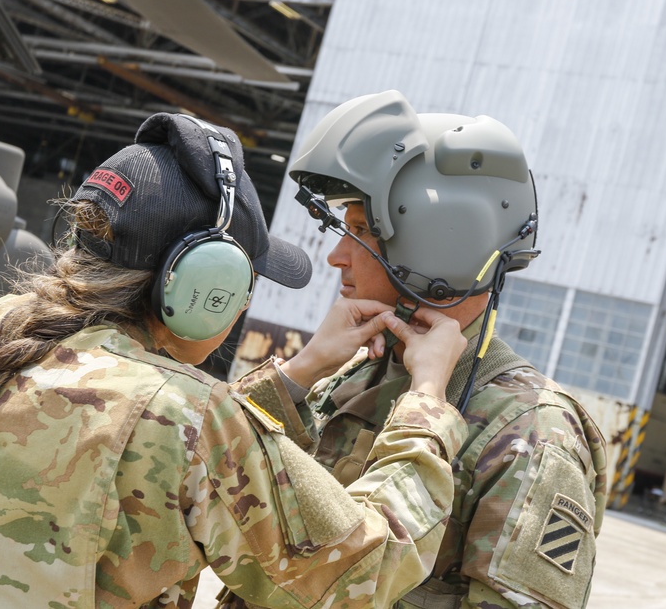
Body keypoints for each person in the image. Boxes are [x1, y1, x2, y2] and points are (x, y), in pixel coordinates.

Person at [0, 112, 470, 608]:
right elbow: (367, 569)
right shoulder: (185, 415)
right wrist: (428, 399)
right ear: (203, 285)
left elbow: (160, 454)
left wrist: (299, 372)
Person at [223, 90, 608, 609]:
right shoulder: (356, 376)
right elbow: (212, 476)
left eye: (359, 231)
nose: (336, 256)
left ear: (439, 244)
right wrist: (298, 373)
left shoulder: (534, 432)